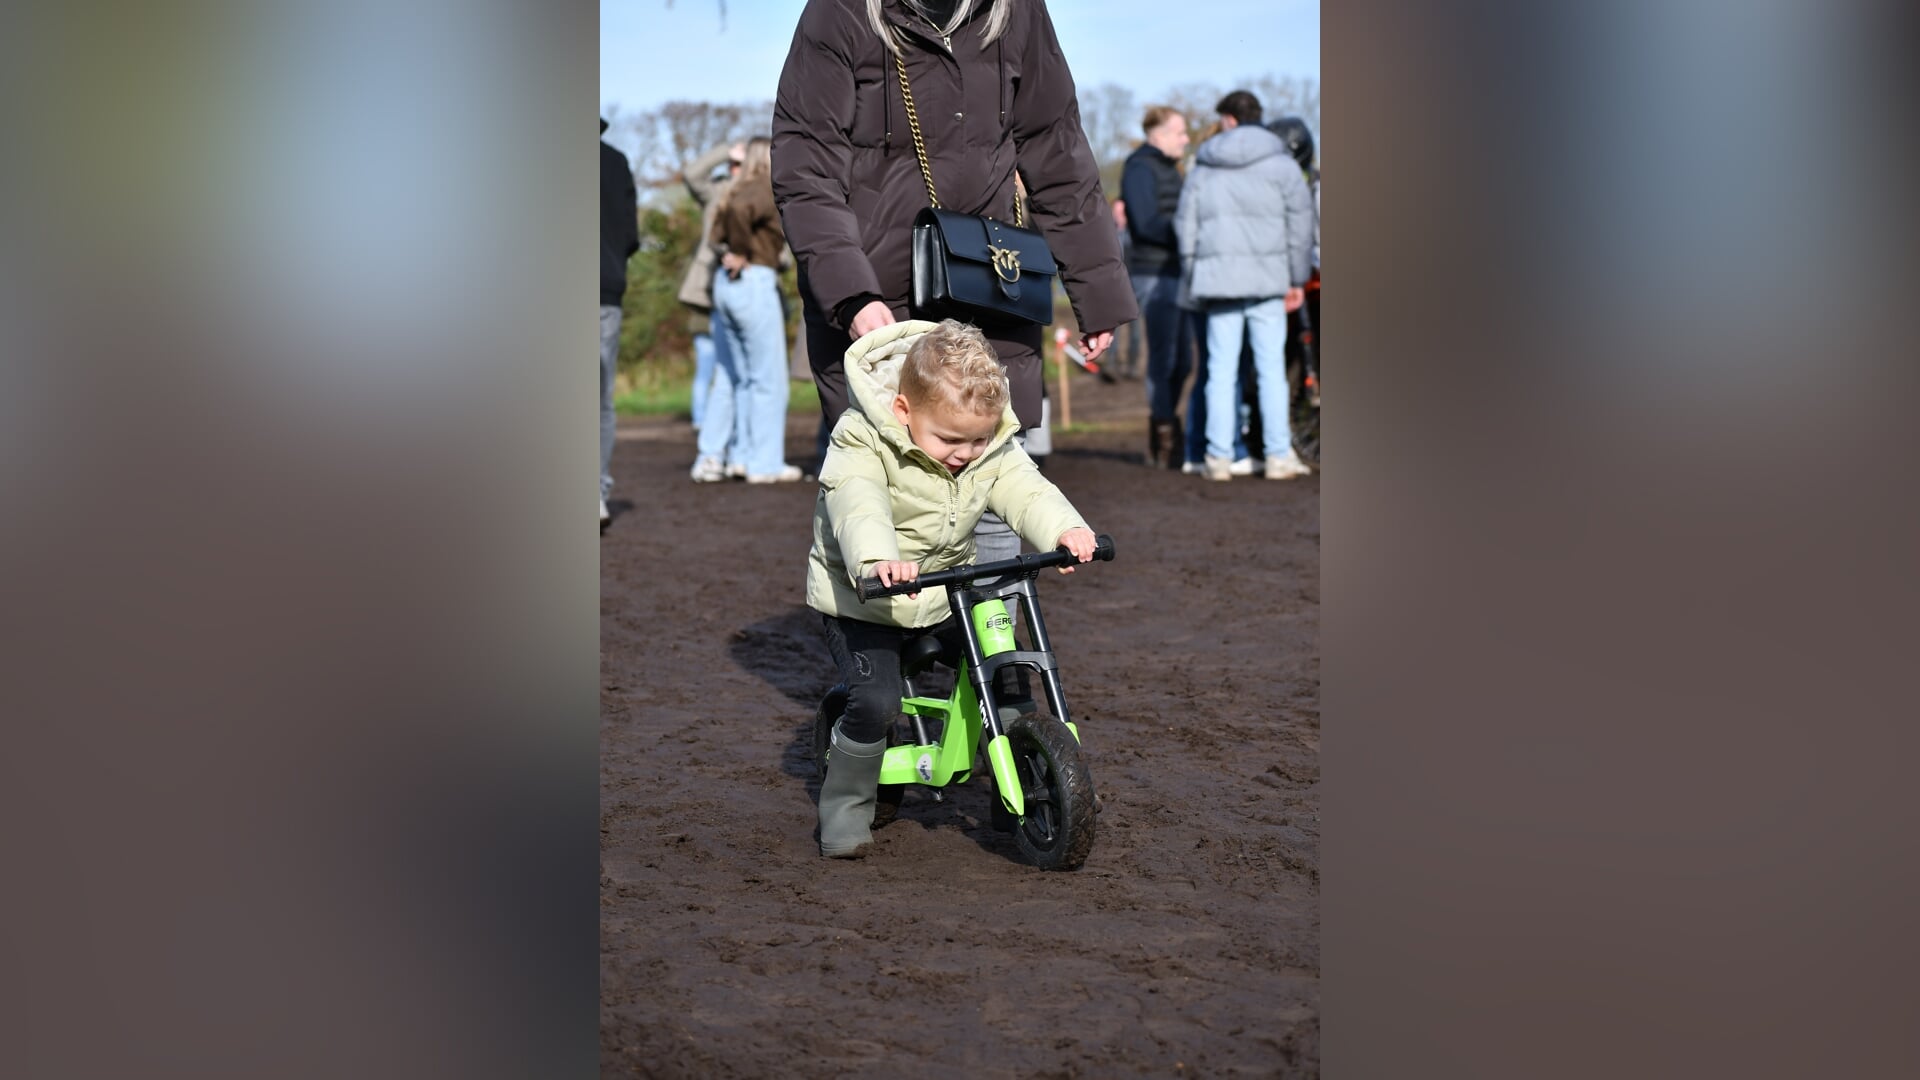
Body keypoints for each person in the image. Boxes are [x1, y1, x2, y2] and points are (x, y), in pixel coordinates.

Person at [772, 0, 1138, 567]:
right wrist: (852, 294)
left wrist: (1096, 290)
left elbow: (1057, 148)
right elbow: (806, 166)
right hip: (880, 309)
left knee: (992, 482)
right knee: (884, 504)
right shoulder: (839, 11)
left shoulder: (1018, 11)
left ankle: (992, 626)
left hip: (991, 289)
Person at [806, 319, 1097, 858]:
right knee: (877, 701)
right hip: (866, 600)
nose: (966, 452)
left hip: (944, 592)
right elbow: (857, 501)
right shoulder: (860, 438)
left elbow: (1025, 487)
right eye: (950, 440)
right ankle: (845, 808)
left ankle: (1021, 787)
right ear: (903, 411)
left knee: (1006, 667)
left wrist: (1065, 529)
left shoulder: (986, 444)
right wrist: (878, 559)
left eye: (978, 440)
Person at [1174, 90, 1315, 481]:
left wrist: (1195, 273)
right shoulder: (1283, 166)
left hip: (1218, 283)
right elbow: (1300, 226)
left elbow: (1185, 226)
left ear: (1230, 118)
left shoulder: (1204, 166)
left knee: (1220, 371)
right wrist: (1296, 278)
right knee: (1271, 370)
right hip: (1269, 281)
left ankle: (1218, 459)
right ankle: (1278, 456)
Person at [704, 137, 806, 483]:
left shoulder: (733, 187)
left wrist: (731, 251)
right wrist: (742, 251)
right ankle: (765, 464)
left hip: (727, 285)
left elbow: (714, 235)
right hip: (754, 281)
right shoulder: (762, 187)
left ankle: (742, 457)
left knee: (744, 377)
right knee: (768, 380)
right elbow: (740, 215)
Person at [1119, 105, 1193, 469]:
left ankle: (1165, 426)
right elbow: (1146, 223)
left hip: (1178, 270)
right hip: (1153, 272)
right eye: (1180, 132)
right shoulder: (1139, 168)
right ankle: (1164, 441)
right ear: (1159, 134)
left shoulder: (1171, 169)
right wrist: (1190, 232)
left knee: (1184, 361)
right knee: (1164, 358)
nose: (1186, 139)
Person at [677, 142, 745, 476]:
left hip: (748, 287)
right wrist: (727, 151)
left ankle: (739, 449)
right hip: (709, 292)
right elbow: (692, 174)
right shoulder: (715, 190)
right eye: (733, 165)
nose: (735, 169)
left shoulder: (762, 190)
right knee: (713, 368)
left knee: (742, 374)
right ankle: (706, 432)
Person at [600, 118, 640, 530]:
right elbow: (631, 235)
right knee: (600, 399)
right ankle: (595, 494)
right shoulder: (616, 162)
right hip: (605, 289)